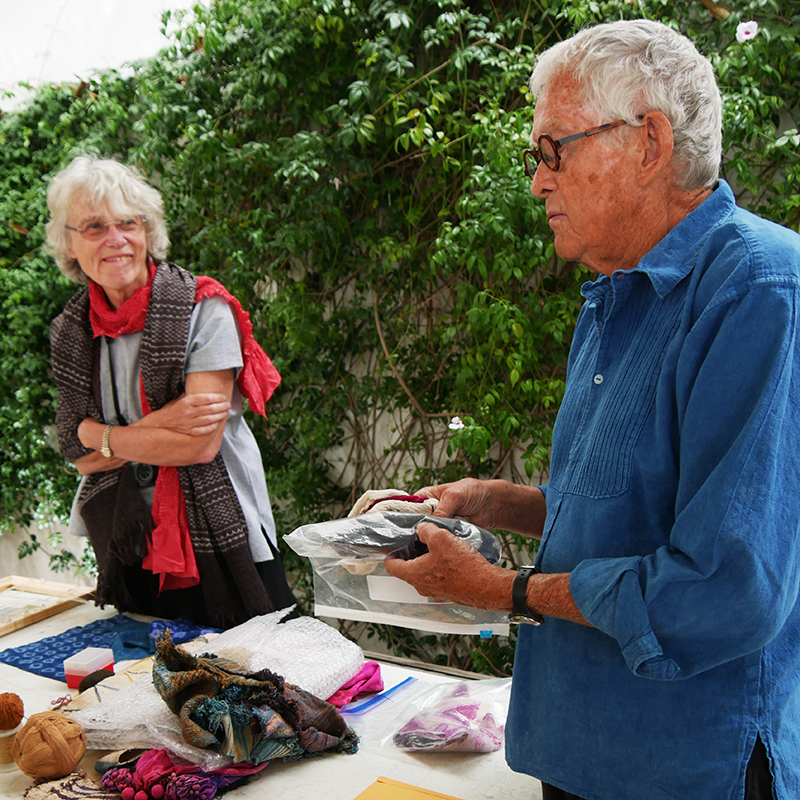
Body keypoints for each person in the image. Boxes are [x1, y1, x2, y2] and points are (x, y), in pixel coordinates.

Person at [385, 19, 800, 800]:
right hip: (578, 753)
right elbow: (632, 515)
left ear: (648, 141)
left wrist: (501, 591)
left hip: (682, 768)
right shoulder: (615, 294)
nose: (539, 181)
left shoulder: (759, 291)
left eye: (553, 152)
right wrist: (493, 503)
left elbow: (725, 589)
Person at [47, 155, 296, 629]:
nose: (116, 239)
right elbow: (75, 454)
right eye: (95, 226)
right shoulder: (71, 332)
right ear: (69, 243)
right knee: (150, 681)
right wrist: (158, 424)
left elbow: (199, 445)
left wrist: (100, 435)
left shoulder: (204, 308)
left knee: (262, 672)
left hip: (224, 533)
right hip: (132, 537)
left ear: (147, 231)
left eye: (128, 223)